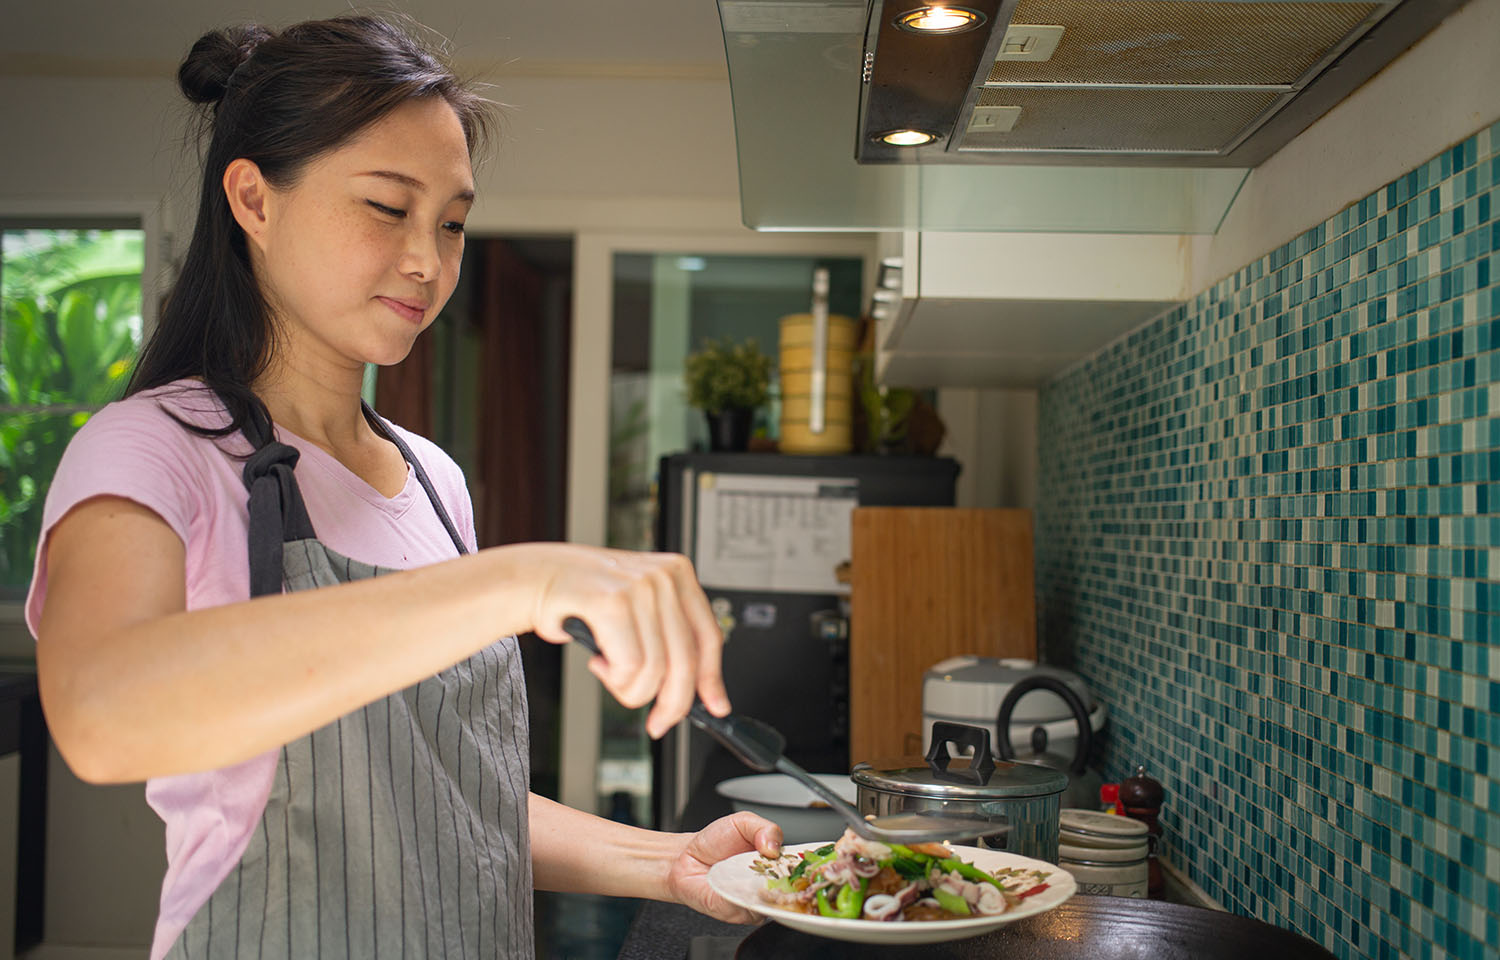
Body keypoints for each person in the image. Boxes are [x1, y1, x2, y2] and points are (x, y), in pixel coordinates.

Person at [25, 14, 780, 959]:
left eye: (453, 222)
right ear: (254, 202)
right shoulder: (152, 447)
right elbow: (101, 715)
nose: (429, 260)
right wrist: (525, 580)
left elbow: (446, 798)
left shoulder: (433, 480)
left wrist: (665, 863)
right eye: (388, 207)